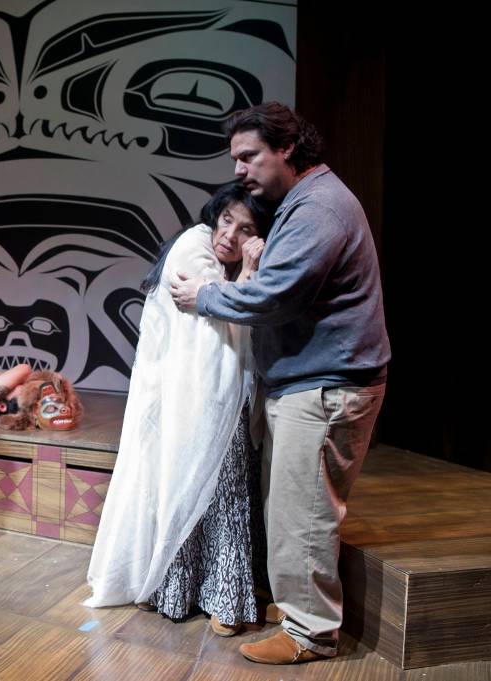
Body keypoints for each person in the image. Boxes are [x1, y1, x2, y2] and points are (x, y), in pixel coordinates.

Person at [170, 102, 390, 664]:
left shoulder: (319, 207)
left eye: (249, 156)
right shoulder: (304, 203)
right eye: (236, 158)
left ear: (287, 148)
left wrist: (206, 297)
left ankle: (310, 634)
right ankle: (295, 612)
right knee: (290, 506)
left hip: (326, 386)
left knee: (305, 511)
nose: (239, 170)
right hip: (308, 383)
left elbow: (276, 295)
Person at [86, 182, 272, 637]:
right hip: (203, 399)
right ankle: (226, 600)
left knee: (199, 491)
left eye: (245, 228)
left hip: (205, 397)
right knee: (217, 492)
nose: (229, 233)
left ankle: (182, 592)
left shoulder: (212, 260)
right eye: (226, 219)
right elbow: (225, 325)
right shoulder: (193, 247)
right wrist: (249, 270)